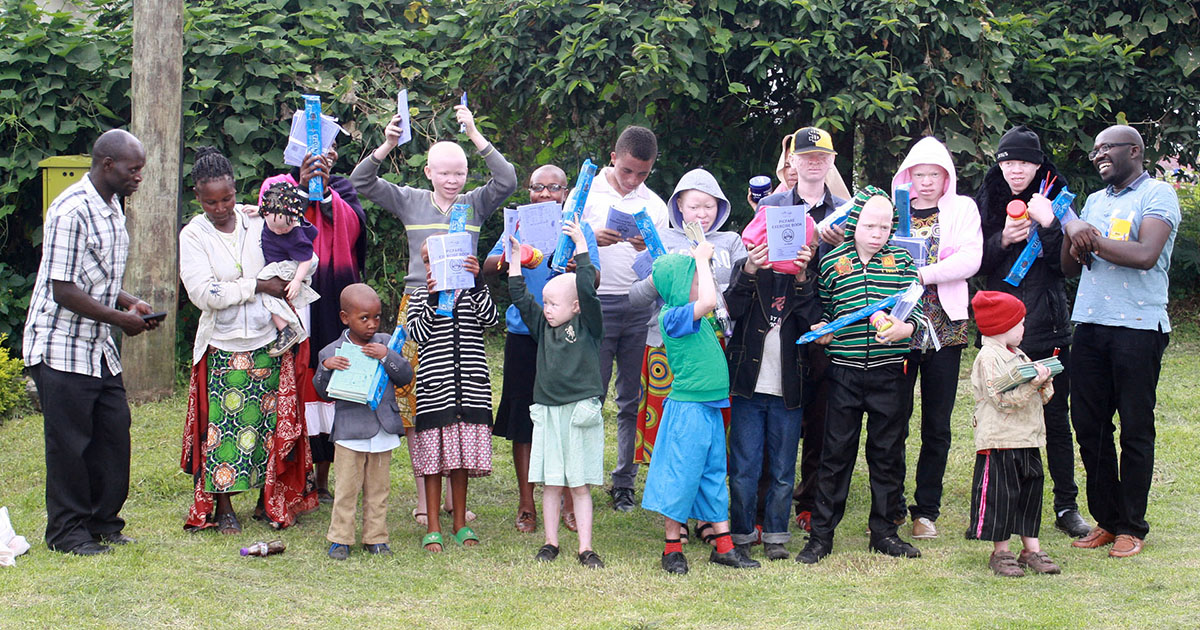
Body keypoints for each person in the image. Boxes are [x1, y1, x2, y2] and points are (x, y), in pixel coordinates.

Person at [351, 101, 516, 525]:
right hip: (417, 306)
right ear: (428, 173)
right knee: (415, 400)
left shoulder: (476, 203)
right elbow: (360, 181)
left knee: (458, 397)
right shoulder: (410, 201)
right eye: (444, 172)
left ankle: (454, 500)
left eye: (458, 172)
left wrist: (475, 134)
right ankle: (427, 497)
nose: (451, 179)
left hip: (464, 307)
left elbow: (508, 178)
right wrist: (388, 143)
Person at [23, 129, 158, 555]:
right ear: (107, 166)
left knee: (113, 433)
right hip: (61, 345)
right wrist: (120, 319)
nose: (139, 177)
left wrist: (128, 301)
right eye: (133, 169)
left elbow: (95, 276)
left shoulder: (113, 204)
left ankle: (103, 523)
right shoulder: (70, 210)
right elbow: (62, 288)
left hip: (97, 346)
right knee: (69, 444)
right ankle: (67, 533)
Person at [179, 147, 318, 534]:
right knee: (223, 428)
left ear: (235, 190)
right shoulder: (194, 235)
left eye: (226, 198)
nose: (220, 207)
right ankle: (223, 506)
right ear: (197, 197)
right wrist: (256, 285)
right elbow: (203, 293)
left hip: (269, 340)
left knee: (267, 424)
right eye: (211, 201)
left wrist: (289, 276)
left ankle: (267, 499)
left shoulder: (257, 220)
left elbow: (305, 252)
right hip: (223, 344)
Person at [1059, 125, 1180, 558]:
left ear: (1134, 150)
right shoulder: (1093, 202)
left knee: (1134, 428)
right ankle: (1107, 521)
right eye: (1094, 150)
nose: (1097, 155)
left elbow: (1145, 255)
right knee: (1089, 428)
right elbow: (1071, 268)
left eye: (1106, 147)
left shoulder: (1158, 195)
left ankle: (1132, 525)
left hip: (1138, 327)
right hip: (1090, 325)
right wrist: (1072, 230)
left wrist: (1088, 235)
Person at [972, 124, 1091, 538]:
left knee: (1057, 419)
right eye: (1008, 162)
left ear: (1038, 164)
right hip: (999, 333)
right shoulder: (986, 195)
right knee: (996, 414)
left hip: (1046, 327)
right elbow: (975, 263)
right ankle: (999, 506)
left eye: (1023, 162)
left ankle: (1065, 505)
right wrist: (1001, 239)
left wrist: (1048, 225)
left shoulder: (1058, 199)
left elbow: (1067, 266)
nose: (1015, 170)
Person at [796, 192, 925, 565]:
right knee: (835, 455)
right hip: (844, 373)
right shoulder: (833, 261)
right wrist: (821, 327)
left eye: (885, 226)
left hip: (891, 373)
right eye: (869, 225)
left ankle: (884, 532)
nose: (877, 233)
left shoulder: (902, 261)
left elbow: (920, 314)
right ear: (853, 223)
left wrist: (907, 327)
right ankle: (821, 537)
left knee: (888, 454)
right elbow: (820, 309)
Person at [627, 168, 745, 545]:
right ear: (678, 205)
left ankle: (709, 521)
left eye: (710, 205)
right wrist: (665, 278)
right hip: (670, 347)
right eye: (694, 205)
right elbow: (636, 295)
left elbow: (743, 290)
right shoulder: (660, 240)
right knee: (672, 440)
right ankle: (673, 522)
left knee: (712, 444)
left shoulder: (730, 240)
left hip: (719, 347)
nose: (702, 213)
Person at [484, 165, 599, 534]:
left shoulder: (576, 226)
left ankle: (567, 498)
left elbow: (595, 276)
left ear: (566, 191)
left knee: (565, 415)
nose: (545, 194)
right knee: (524, 420)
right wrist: (514, 256)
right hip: (525, 332)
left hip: (568, 336)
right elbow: (488, 266)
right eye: (537, 187)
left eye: (554, 187)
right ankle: (526, 501)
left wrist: (574, 265)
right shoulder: (517, 222)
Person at [260, 148, 368, 505]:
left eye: (326, 152)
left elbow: (353, 230)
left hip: (333, 296)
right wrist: (303, 190)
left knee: (330, 383)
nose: (320, 159)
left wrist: (324, 198)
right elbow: (270, 222)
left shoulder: (343, 189)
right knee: (298, 379)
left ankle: (323, 479)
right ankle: (294, 476)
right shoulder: (278, 185)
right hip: (293, 298)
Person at [641, 248, 760, 574]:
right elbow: (707, 300)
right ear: (679, 286)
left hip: (710, 408)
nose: (701, 283)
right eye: (694, 278)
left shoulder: (697, 317)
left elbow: (712, 301)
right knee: (680, 477)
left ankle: (723, 546)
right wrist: (701, 259)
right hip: (688, 412)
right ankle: (672, 549)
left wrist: (701, 263)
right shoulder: (674, 316)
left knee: (712, 476)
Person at [754, 126, 849, 532]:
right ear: (791, 162)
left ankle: (809, 501)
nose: (813, 163)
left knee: (822, 418)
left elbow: (863, 259)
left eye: (821, 156)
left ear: (831, 163)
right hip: (781, 322)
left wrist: (842, 242)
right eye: (805, 156)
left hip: (830, 321)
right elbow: (753, 258)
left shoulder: (847, 207)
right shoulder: (772, 204)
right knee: (774, 415)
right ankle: (761, 511)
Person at [890, 136, 983, 540]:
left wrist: (924, 273)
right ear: (907, 176)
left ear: (947, 177)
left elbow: (970, 259)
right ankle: (890, 503)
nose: (926, 182)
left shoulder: (962, 209)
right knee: (893, 419)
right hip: (897, 327)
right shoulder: (893, 211)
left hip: (946, 327)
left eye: (935, 174)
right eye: (919, 174)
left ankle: (925, 509)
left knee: (937, 424)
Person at [578, 126, 669, 512]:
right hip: (594, 304)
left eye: (643, 174)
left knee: (631, 398)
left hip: (638, 306)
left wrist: (650, 247)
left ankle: (624, 482)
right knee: (590, 396)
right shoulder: (585, 195)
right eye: (628, 170)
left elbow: (664, 268)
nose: (633, 181)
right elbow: (562, 253)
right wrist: (589, 236)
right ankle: (581, 479)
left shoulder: (657, 206)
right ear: (613, 157)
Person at [508, 222, 606, 568]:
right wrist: (516, 261)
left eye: (554, 304)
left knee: (578, 485)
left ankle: (585, 547)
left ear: (576, 306)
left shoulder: (589, 325)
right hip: (548, 412)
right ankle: (550, 542)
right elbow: (521, 297)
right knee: (550, 483)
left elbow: (588, 290)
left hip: (580, 412)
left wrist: (581, 245)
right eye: (545, 303)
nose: (547, 309)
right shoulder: (541, 326)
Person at [723, 234, 819, 562]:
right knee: (744, 467)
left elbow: (814, 321)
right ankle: (742, 532)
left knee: (782, 468)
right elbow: (730, 310)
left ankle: (777, 535)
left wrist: (802, 275)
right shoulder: (746, 268)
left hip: (788, 390)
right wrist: (751, 267)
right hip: (748, 387)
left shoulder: (806, 277)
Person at [406, 240, 499, 551]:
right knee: (433, 461)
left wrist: (477, 283)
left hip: (471, 391)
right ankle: (433, 524)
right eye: (428, 262)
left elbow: (491, 320)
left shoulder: (474, 293)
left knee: (460, 460)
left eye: (442, 261)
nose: (434, 268)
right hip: (436, 390)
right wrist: (433, 299)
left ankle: (460, 522)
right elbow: (417, 334)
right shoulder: (420, 296)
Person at [313, 284, 413, 560]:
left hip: (383, 429)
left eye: (377, 317)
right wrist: (326, 369)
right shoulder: (331, 351)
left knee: (379, 489)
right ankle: (340, 538)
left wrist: (387, 356)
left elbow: (405, 376)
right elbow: (322, 391)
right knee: (346, 488)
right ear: (345, 317)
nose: (372, 324)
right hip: (349, 432)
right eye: (364, 318)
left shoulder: (386, 343)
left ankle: (376, 538)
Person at [966, 291, 1061, 577]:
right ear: (1002, 326)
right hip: (1000, 441)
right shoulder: (988, 358)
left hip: (1028, 439)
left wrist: (1044, 381)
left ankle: (1031, 549)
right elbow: (1001, 400)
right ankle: (1001, 552)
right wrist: (1033, 385)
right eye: (1019, 323)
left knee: (1029, 494)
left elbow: (1043, 398)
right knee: (1001, 496)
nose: (1023, 329)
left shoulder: (1019, 354)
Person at [256, 181, 320, 357]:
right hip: (281, 264)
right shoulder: (272, 214)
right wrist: (253, 209)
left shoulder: (296, 234)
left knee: (263, 286)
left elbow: (307, 259)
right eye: (274, 227)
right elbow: (262, 212)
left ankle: (288, 328)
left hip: (292, 266)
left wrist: (297, 281)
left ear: (295, 216)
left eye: (285, 226)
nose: (279, 231)